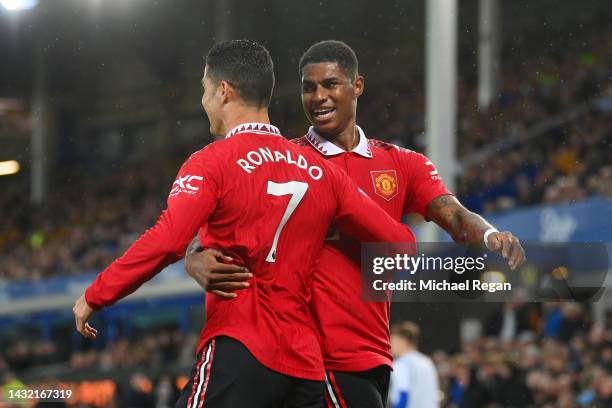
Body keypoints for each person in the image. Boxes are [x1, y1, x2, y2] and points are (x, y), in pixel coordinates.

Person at [72, 39, 416, 408]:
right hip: (305, 365)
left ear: (223, 91)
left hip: (241, 346)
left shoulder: (213, 162)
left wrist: (95, 295)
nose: (204, 102)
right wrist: (329, 233)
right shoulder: (323, 173)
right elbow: (401, 243)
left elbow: (169, 239)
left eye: (204, 90)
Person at [184, 40, 526, 408]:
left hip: (374, 355)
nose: (318, 97)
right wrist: (194, 254)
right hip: (318, 356)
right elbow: (222, 213)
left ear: (357, 86)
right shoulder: (287, 159)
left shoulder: (401, 163)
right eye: (308, 87)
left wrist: (490, 236)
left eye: (330, 84)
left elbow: (455, 215)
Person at [388, 322, 439, 408]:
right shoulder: (427, 362)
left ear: (403, 341)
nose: (390, 345)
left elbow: (403, 395)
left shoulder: (401, 363)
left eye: (393, 340)